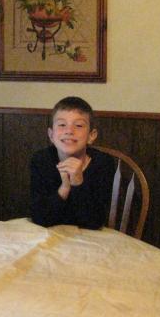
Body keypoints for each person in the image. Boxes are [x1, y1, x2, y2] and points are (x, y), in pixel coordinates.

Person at [30, 96, 115, 229]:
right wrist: (64, 188)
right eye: (62, 125)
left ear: (91, 136)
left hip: (89, 237)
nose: (69, 131)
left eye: (79, 125)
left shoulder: (103, 163)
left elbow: (94, 222)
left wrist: (78, 182)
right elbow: (40, 217)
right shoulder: (41, 160)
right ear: (51, 135)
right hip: (50, 234)